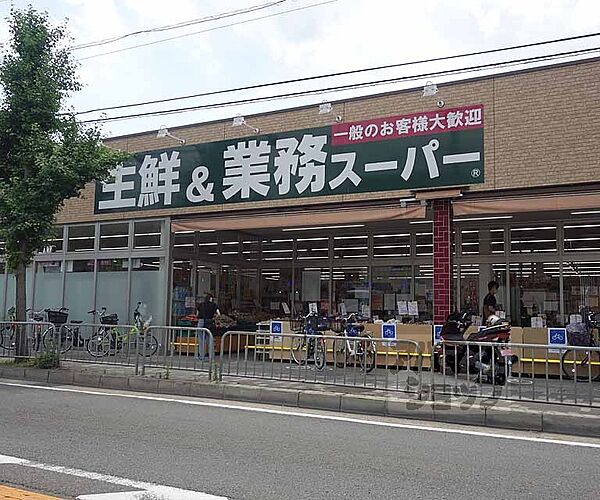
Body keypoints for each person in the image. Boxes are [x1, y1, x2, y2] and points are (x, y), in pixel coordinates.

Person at [196, 294, 220, 359]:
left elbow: (197, 314)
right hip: (209, 322)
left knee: (201, 340)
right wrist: (214, 318)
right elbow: (218, 314)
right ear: (211, 299)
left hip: (201, 322)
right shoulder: (214, 305)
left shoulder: (201, 305)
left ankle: (201, 356)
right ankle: (211, 356)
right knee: (210, 340)